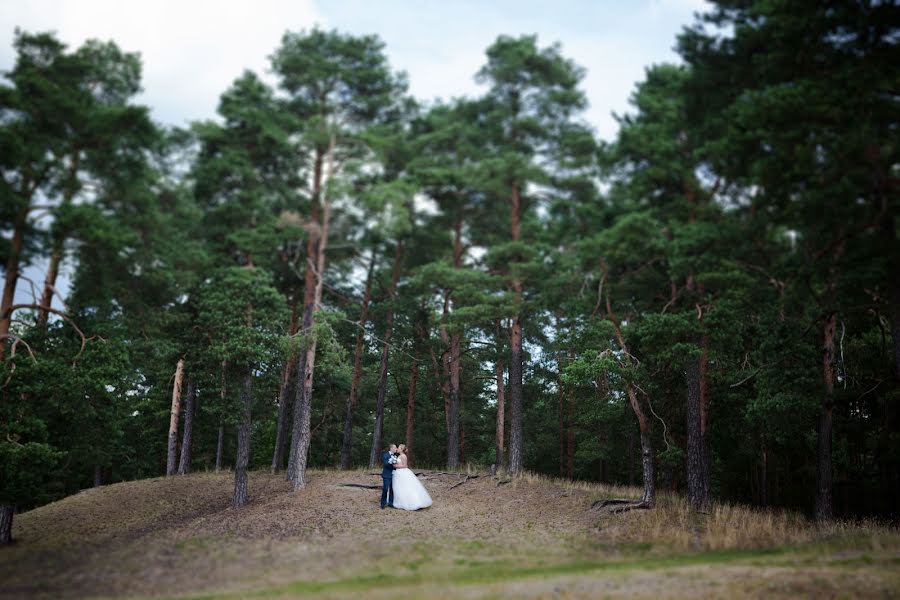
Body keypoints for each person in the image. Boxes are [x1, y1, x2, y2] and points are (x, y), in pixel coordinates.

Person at [390, 444, 433, 511]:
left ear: (401, 449)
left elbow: (405, 466)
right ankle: (400, 501)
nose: (397, 449)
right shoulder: (399, 456)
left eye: (398, 447)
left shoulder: (403, 456)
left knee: (406, 487)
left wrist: (395, 466)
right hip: (398, 473)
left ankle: (412, 502)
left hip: (403, 473)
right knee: (399, 488)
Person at [380, 443, 398, 509]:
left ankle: (391, 503)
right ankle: (383, 503)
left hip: (394, 475)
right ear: (391, 448)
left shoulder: (395, 456)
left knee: (392, 489)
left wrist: (395, 465)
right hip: (386, 475)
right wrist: (391, 462)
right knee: (385, 489)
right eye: (395, 447)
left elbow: (396, 466)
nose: (396, 449)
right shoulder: (385, 455)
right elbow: (385, 464)